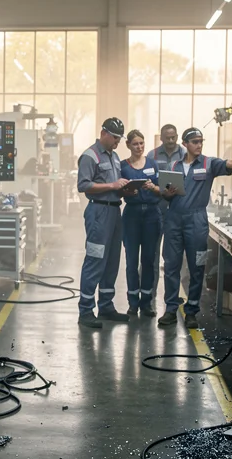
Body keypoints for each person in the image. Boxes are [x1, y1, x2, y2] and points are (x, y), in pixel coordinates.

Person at [158, 127, 232, 329]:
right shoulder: (174, 165)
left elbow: (231, 163)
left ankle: (192, 312)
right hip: (174, 219)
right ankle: (171, 309)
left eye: (201, 141)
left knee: (198, 266)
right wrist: (167, 192)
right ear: (185, 144)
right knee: (171, 265)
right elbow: (164, 194)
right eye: (195, 142)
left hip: (196, 220)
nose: (199, 145)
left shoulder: (209, 164)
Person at [76, 118, 135, 328]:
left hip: (114, 212)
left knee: (111, 260)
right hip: (98, 212)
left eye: (120, 138)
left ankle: (106, 306)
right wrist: (112, 184)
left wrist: (125, 189)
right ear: (104, 133)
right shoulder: (90, 155)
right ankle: (85, 310)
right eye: (115, 138)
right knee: (95, 259)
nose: (117, 142)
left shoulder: (115, 156)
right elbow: (83, 185)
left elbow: (114, 185)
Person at [120, 130, 162, 317]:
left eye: (142, 143)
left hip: (152, 215)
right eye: (135, 144)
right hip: (132, 215)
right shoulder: (123, 167)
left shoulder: (153, 165)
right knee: (131, 260)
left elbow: (164, 190)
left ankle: (147, 303)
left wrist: (153, 188)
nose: (139, 147)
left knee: (148, 259)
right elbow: (117, 191)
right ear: (128, 145)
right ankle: (132, 303)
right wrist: (127, 192)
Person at [145, 124, 185, 312]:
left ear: (177, 136)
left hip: (177, 213)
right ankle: (148, 296)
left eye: (173, 138)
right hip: (156, 211)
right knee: (151, 256)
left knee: (173, 258)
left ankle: (173, 297)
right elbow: (146, 180)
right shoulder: (152, 156)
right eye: (167, 138)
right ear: (161, 138)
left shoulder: (185, 154)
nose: (170, 141)